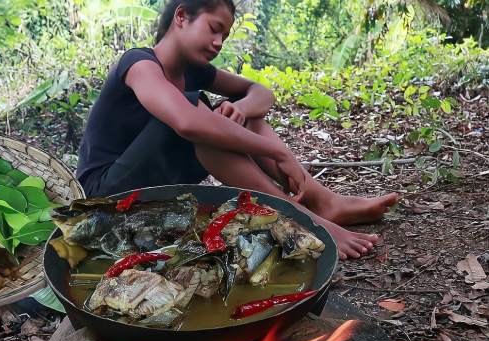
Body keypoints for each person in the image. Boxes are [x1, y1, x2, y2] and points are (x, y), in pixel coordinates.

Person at [76, 0, 399, 259]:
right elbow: (187, 122)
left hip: (150, 187)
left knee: (243, 118)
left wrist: (241, 109)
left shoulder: (194, 71)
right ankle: (301, 218)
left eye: (225, 37)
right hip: (105, 198)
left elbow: (261, 93)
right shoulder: (139, 64)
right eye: (214, 29)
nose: (218, 43)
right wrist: (277, 150)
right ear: (182, 16)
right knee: (196, 117)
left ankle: (322, 200)